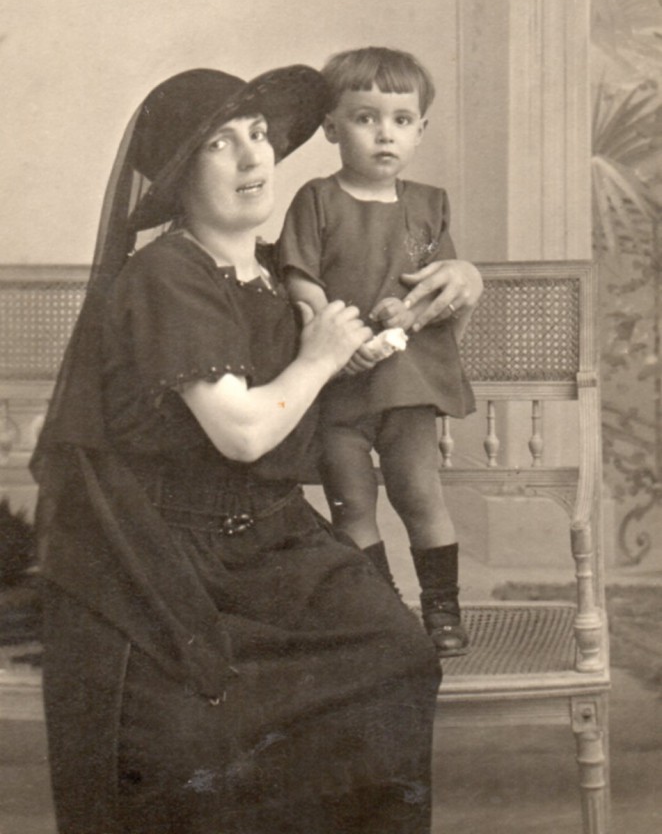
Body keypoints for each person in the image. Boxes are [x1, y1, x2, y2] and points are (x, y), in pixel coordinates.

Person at [31, 64, 456, 834]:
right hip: (163, 554)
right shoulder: (166, 274)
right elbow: (245, 431)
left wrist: (460, 275)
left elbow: (394, 265)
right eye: (220, 145)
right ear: (176, 178)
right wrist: (322, 355)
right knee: (202, 731)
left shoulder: (265, 270)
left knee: (399, 655)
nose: (254, 158)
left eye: (258, 135)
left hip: (274, 539)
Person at [279, 46, 477, 658]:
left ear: (420, 130)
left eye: (399, 119)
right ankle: (380, 612)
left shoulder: (428, 204)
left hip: (408, 381)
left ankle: (441, 610)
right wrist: (339, 331)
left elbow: (440, 285)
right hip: (339, 383)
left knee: (419, 494)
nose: (384, 133)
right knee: (353, 503)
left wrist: (408, 314)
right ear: (333, 128)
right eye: (365, 118)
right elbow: (300, 280)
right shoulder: (317, 199)